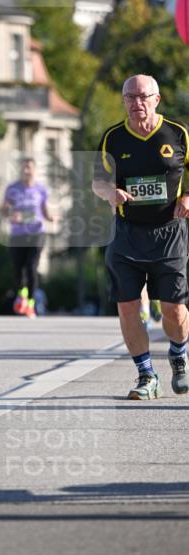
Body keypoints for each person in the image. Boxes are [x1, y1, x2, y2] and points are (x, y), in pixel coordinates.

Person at [92, 74, 189, 399]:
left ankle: (178, 354)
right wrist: (110, 192)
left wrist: (188, 197)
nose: (136, 104)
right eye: (129, 98)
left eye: (142, 97)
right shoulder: (113, 138)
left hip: (169, 234)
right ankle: (146, 375)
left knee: (173, 311)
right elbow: (96, 181)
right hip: (127, 235)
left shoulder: (177, 134)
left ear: (156, 99)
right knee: (129, 307)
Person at [2, 158, 54, 319]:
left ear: (34, 170)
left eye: (29, 168)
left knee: (31, 267)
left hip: (37, 233)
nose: (26, 171)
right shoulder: (12, 189)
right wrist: (12, 215)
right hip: (18, 234)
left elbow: (45, 211)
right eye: (24, 168)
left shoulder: (41, 189)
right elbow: (3, 210)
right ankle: (22, 294)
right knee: (18, 269)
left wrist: (51, 217)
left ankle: (30, 304)